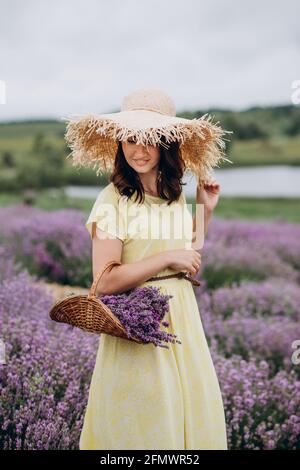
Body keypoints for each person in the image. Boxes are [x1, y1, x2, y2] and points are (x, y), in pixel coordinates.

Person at [63, 88, 231, 450]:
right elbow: (104, 281)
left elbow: (188, 256)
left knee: (186, 416)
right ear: (119, 142)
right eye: (130, 139)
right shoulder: (112, 201)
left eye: (149, 140)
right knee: (144, 424)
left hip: (181, 319)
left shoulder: (173, 193)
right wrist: (165, 258)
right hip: (138, 325)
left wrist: (206, 208)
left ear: (166, 143)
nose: (138, 150)